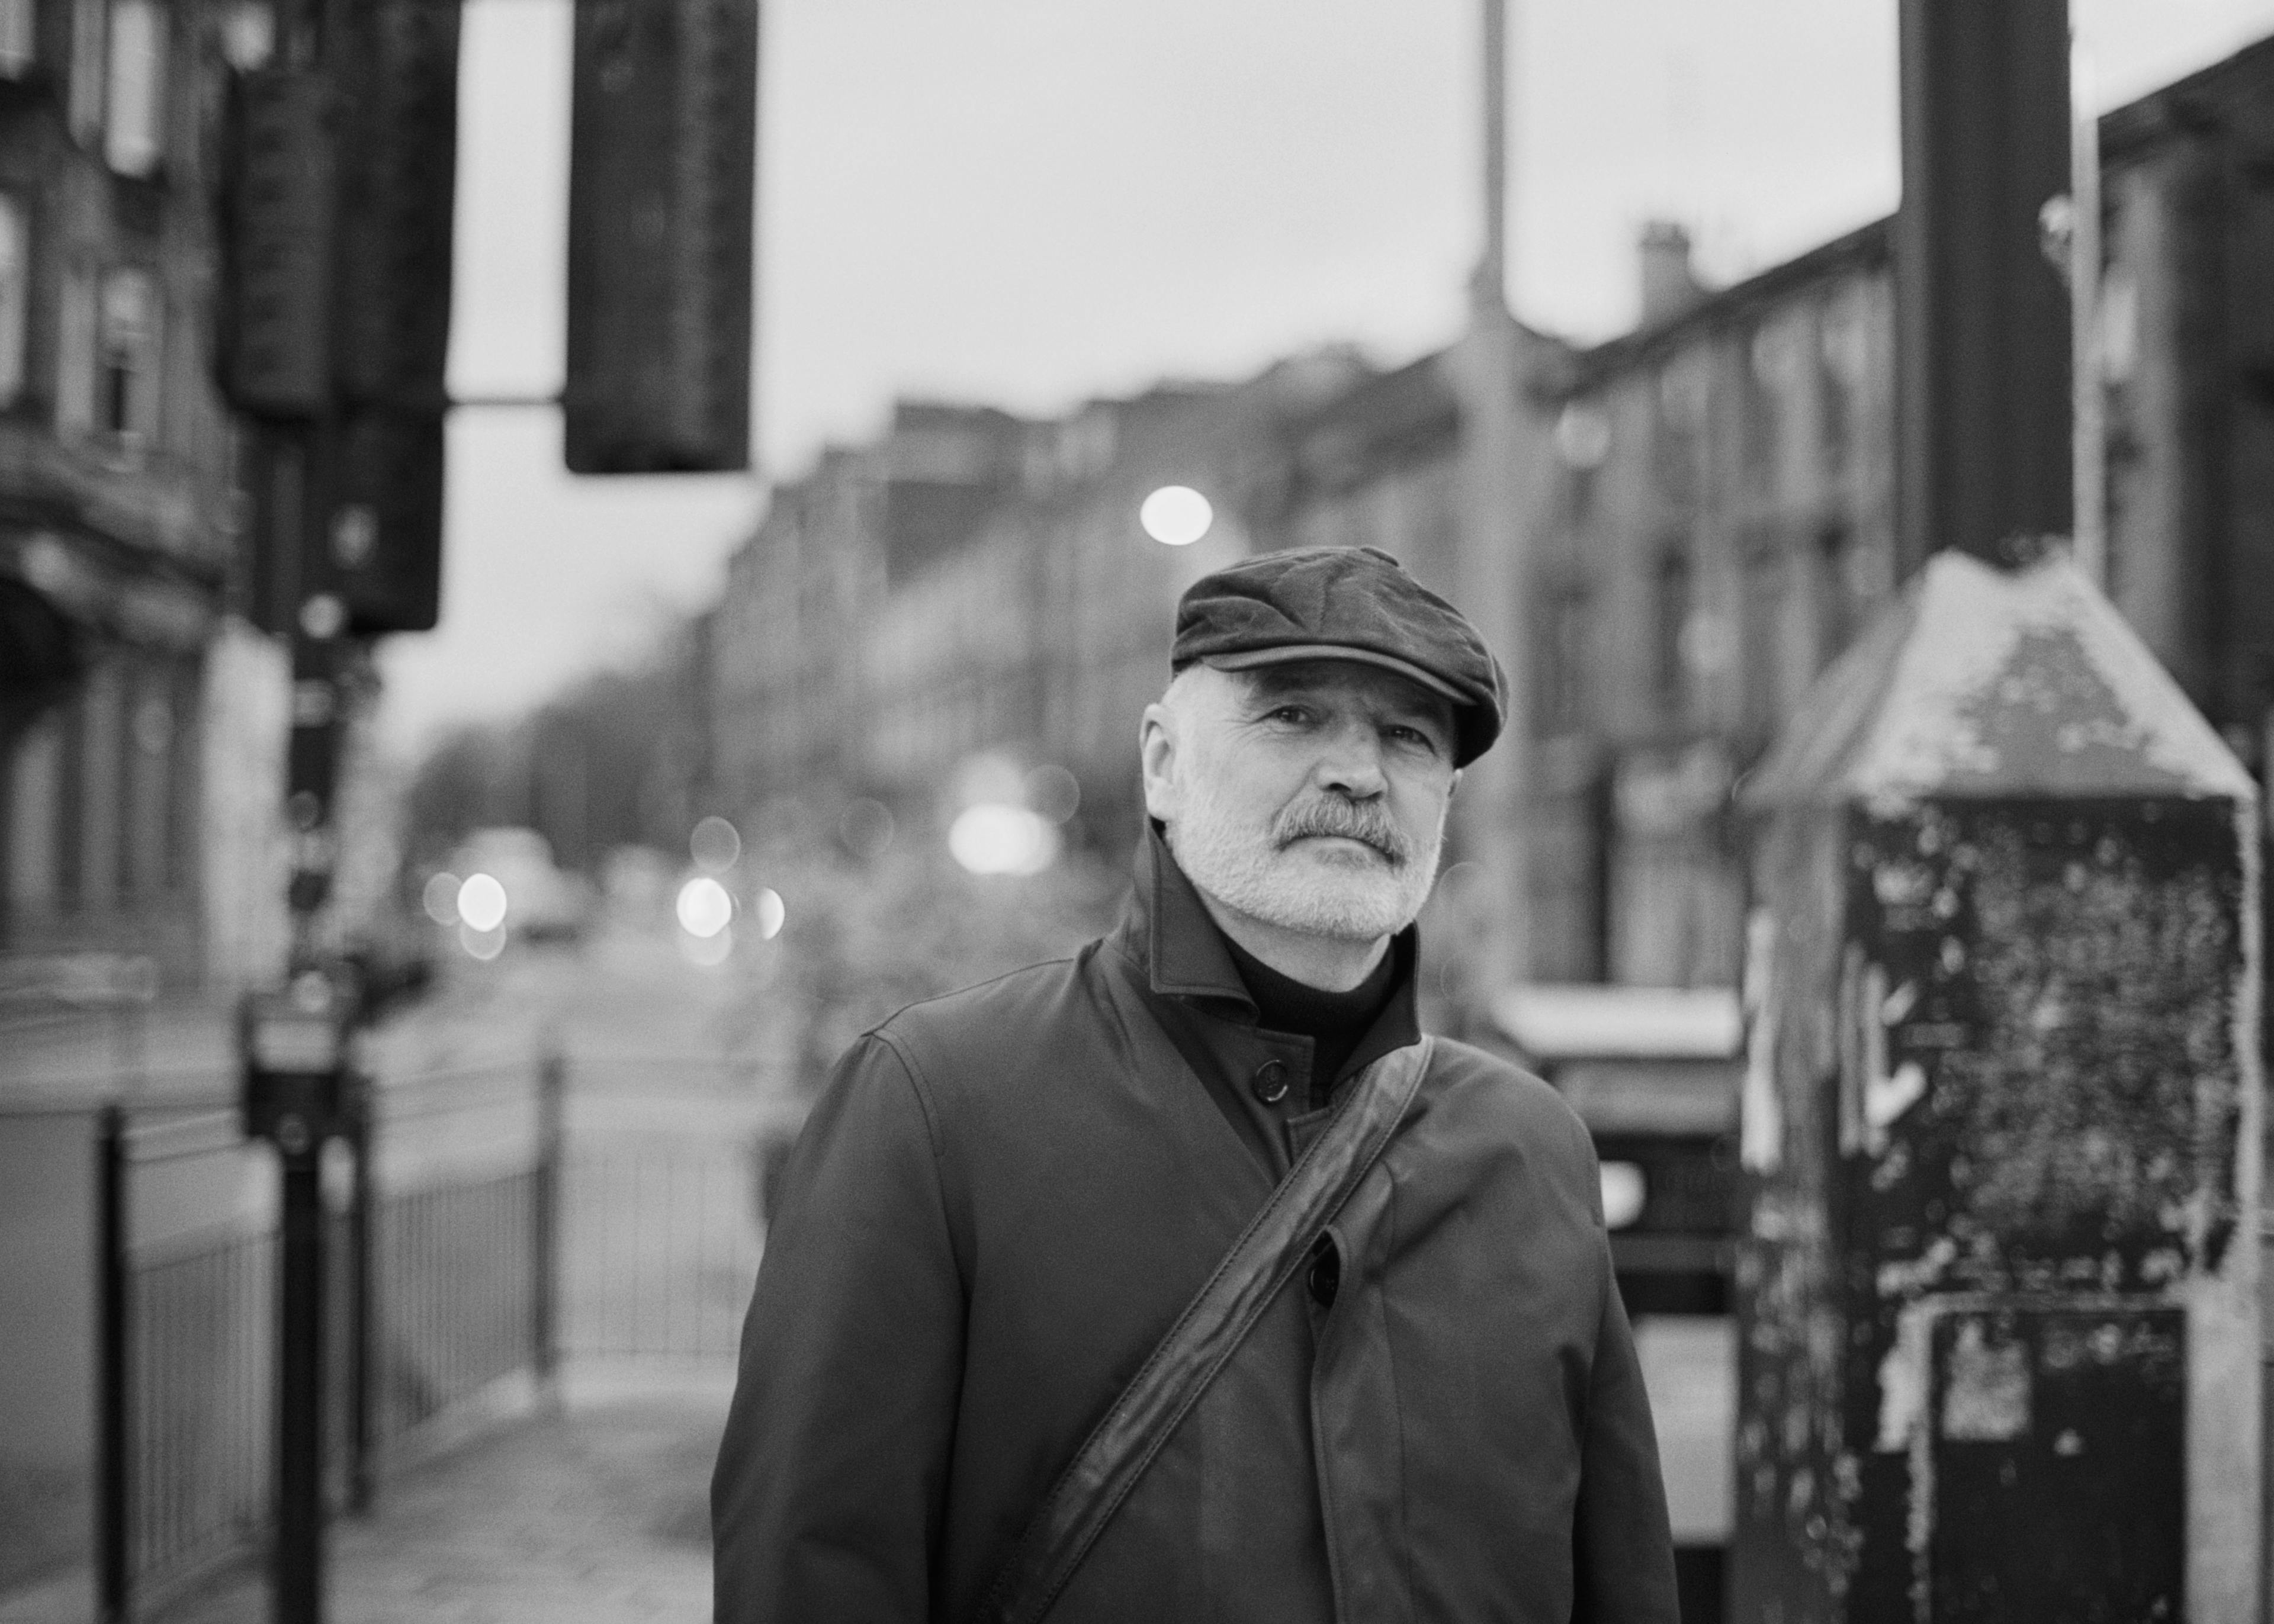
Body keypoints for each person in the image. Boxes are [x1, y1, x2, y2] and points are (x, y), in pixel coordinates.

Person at [712, 545, 1679, 1623]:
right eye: (1293, 717)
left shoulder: (1532, 1152)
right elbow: (814, 1571)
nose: (1359, 772)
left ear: (1443, 797)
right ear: (1162, 763)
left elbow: (1622, 1583)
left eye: (1408, 736)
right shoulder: (937, 1107)